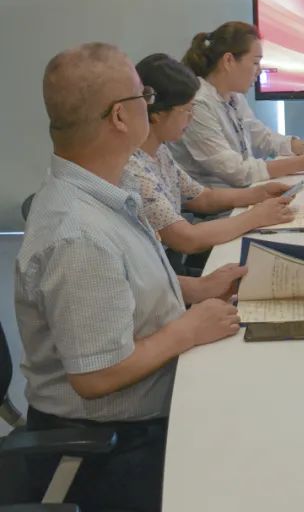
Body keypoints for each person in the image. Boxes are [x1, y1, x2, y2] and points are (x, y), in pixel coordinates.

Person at [15, 43, 250, 511]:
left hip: (144, 414)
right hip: (111, 449)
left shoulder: (108, 188)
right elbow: (97, 374)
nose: (151, 102)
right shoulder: (77, 234)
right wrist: (188, 329)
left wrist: (195, 289)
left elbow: (126, 285)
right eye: (145, 95)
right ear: (121, 117)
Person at [127, 53, 297, 263]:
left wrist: (259, 193)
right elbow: (186, 239)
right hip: (165, 266)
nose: (191, 117)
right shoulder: (134, 169)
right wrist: (255, 217)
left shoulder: (159, 151)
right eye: (186, 110)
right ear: (157, 114)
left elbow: (202, 198)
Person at [170, 21, 304, 187]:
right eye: (255, 62)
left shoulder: (234, 96)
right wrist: (302, 163)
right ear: (228, 61)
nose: (259, 71)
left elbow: (263, 139)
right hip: (219, 201)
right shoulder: (198, 104)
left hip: (243, 194)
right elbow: (236, 172)